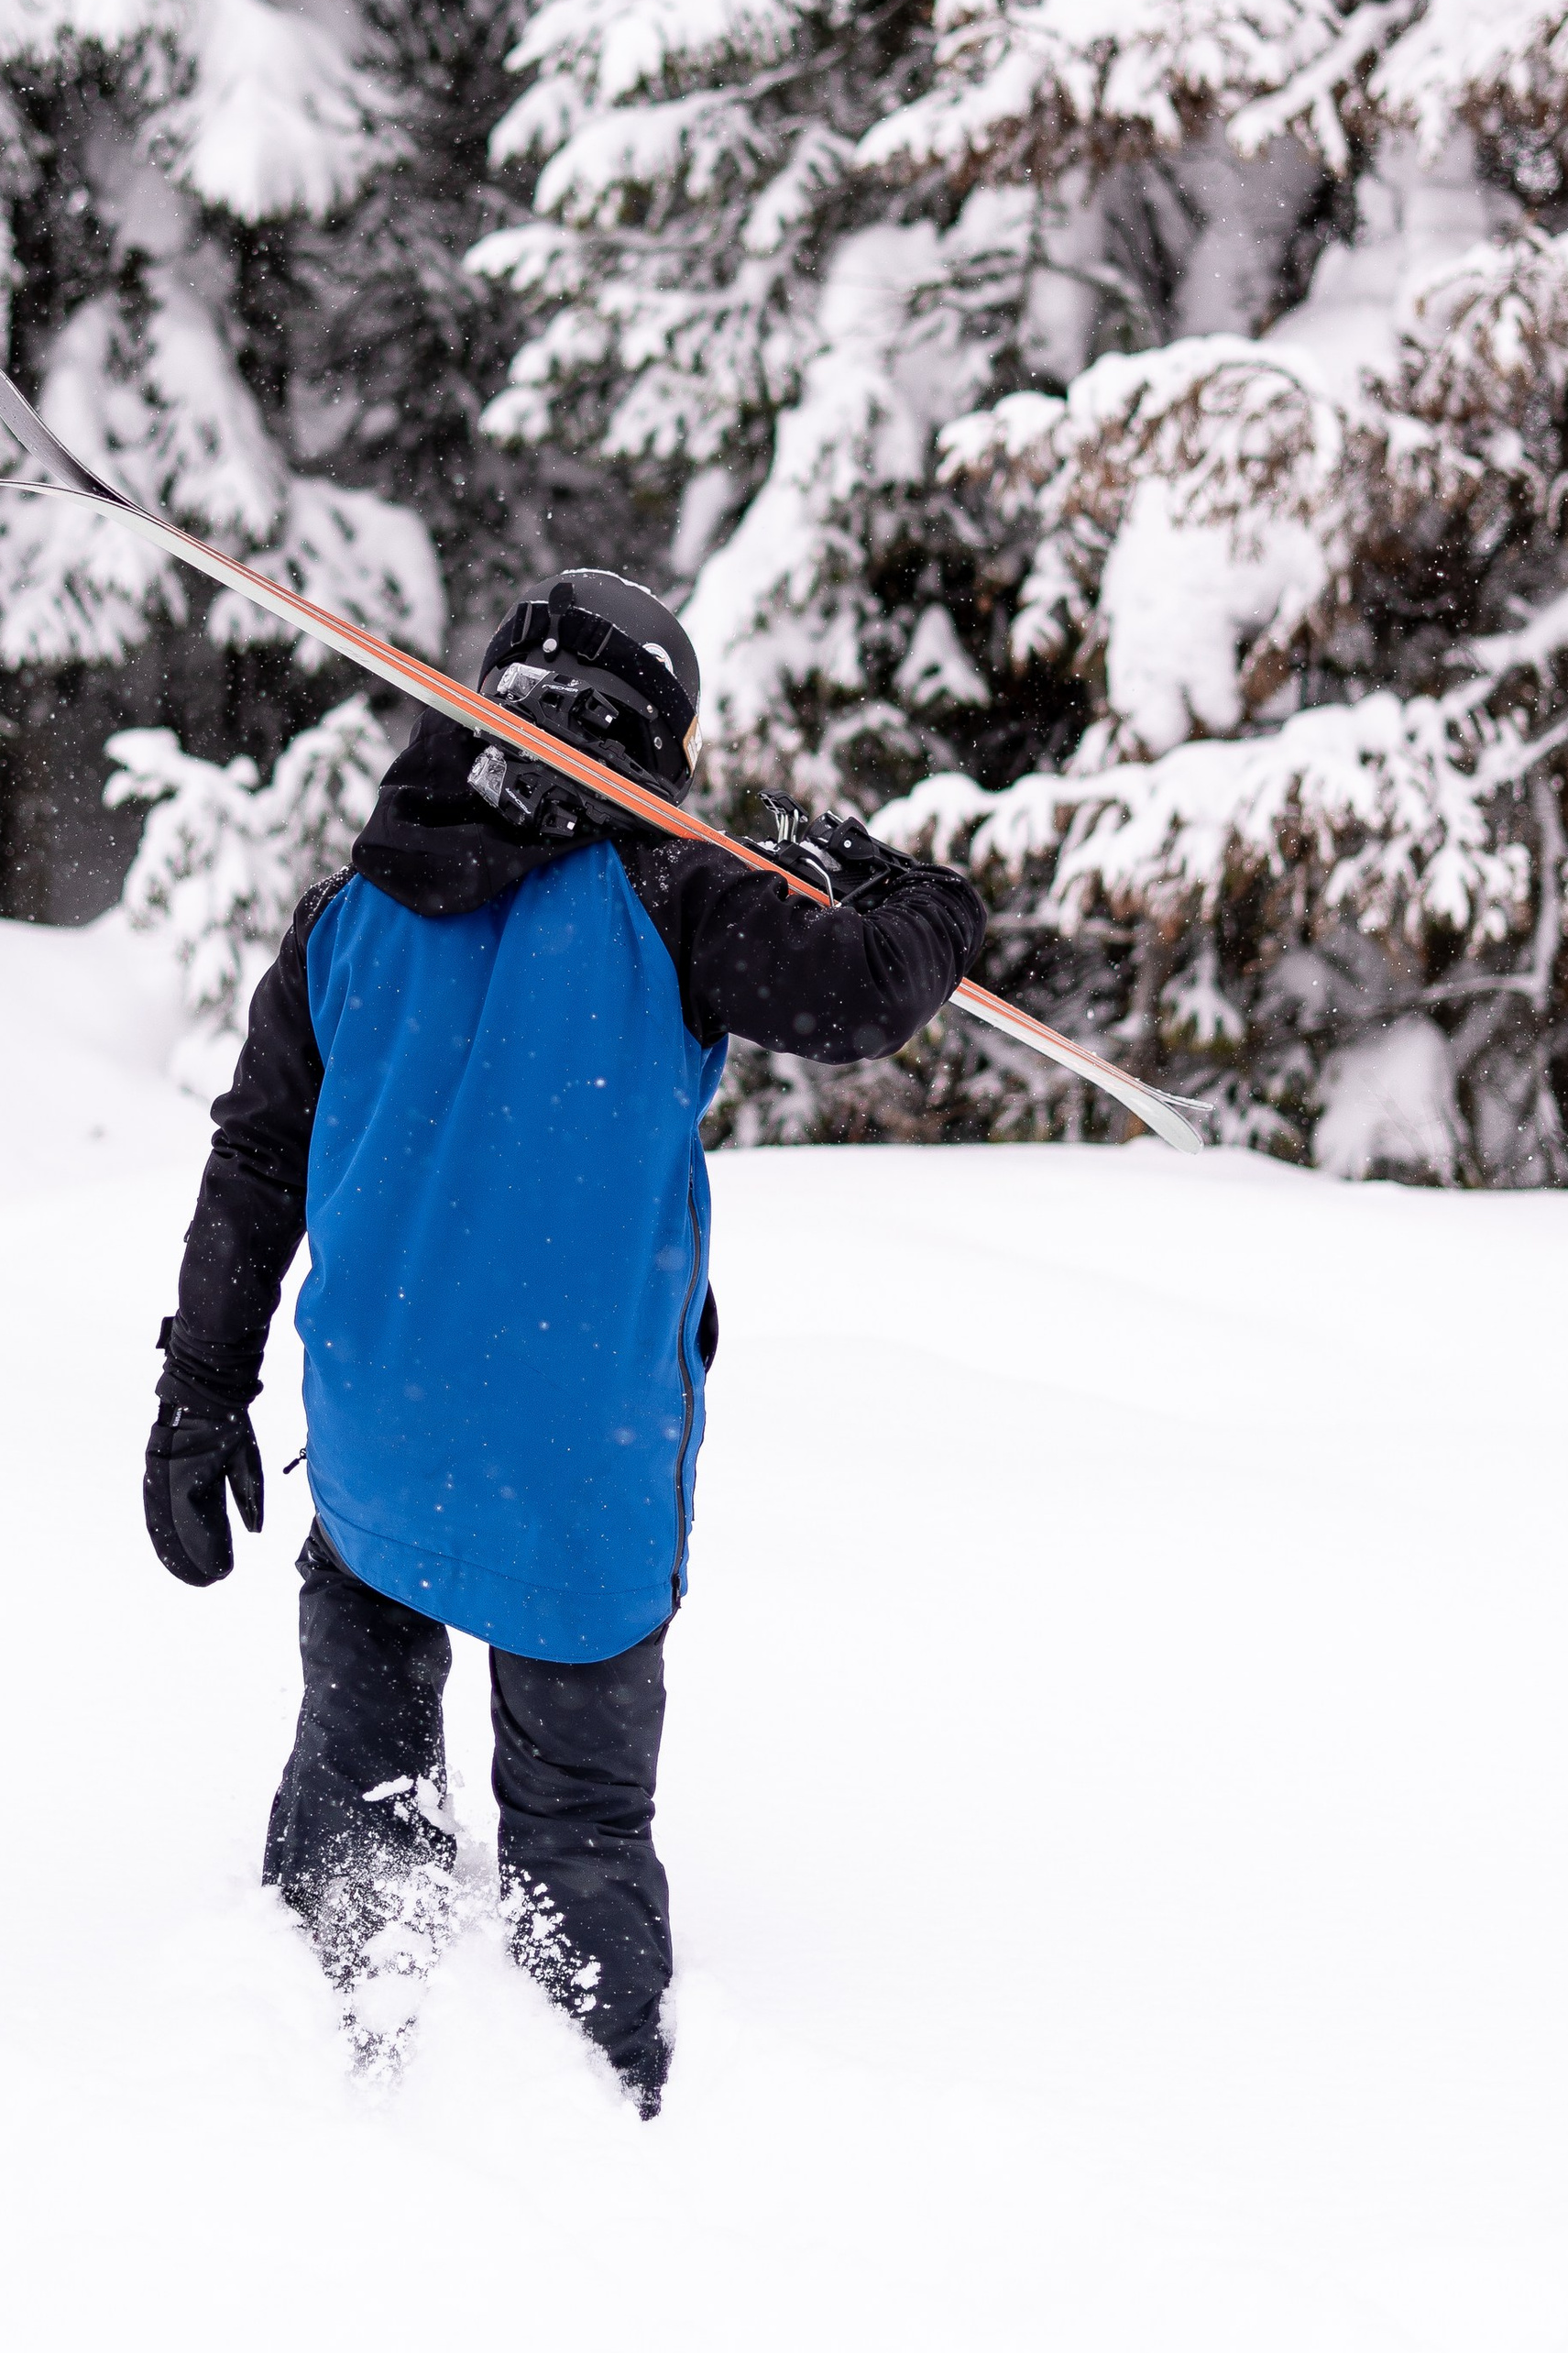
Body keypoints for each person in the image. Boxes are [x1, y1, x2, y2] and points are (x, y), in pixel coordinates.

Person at [141, 569, 988, 2113]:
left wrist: (200, 1396)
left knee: (357, 1790)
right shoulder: (678, 900)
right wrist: (918, 896)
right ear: (659, 741)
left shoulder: (352, 912)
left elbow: (255, 1161)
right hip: (575, 1492)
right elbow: (869, 995)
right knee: (579, 1839)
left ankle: (326, 2065)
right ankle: (597, 2122)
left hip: (379, 1459)